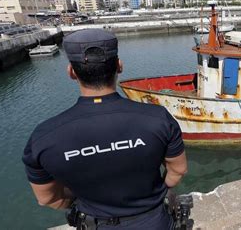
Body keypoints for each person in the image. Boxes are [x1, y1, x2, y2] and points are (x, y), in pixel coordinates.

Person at [22, 29, 187, 229]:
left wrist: (81, 204)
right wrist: (156, 194)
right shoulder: (158, 118)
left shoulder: (43, 137)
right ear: (119, 66)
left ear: (72, 72)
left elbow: (47, 198)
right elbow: (177, 170)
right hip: (154, 221)